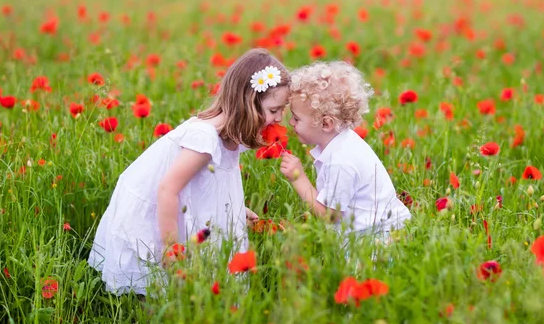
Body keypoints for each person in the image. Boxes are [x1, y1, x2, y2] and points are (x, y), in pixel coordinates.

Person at [89, 48, 290, 295]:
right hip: (159, 215)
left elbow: (206, 185)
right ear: (248, 101)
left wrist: (235, 209)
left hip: (175, 206)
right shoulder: (205, 139)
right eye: (274, 110)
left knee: (184, 292)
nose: (280, 117)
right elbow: (168, 189)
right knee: (159, 290)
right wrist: (170, 249)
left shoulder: (230, 137)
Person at [280, 61, 411, 242]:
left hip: (378, 238)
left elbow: (329, 216)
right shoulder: (343, 144)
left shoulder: (342, 161)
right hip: (370, 231)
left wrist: (298, 179)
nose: (291, 123)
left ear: (326, 123)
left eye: (296, 118)